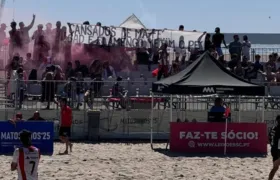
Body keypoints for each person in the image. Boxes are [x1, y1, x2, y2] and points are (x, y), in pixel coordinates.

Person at [269, 115, 280, 180]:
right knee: (275, 167)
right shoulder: (279, 129)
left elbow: (269, 138)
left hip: (273, 149)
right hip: (278, 149)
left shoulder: (273, 128)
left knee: (275, 167)